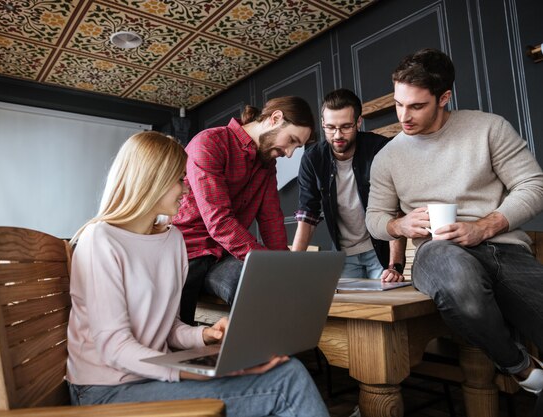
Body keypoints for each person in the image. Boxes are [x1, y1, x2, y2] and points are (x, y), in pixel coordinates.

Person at [66, 131, 330, 416]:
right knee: (286, 381)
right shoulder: (101, 240)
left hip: (151, 375)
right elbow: (115, 348)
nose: (186, 189)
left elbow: (167, 328)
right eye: (180, 179)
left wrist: (206, 335)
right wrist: (201, 373)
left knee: (286, 368)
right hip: (104, 390)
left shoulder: (173, 240)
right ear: (151, 179)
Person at [365, 48, 543, 396]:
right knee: (457, 280)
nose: (405, 116)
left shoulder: (488, 127)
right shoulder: (386, 158)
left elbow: (533, 184)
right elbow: (375, 219)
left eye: (417, 106)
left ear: (444, 97)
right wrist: (399, 226)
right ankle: (521, 368)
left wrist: (486, 225)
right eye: (399, 104)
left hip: (504, 250)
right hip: (438, 252)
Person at [173, 96, 315, 325]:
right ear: (275, 118)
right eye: (291, 141)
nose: (289, 153)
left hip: (225, 254)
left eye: (296, 148)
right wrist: (266, 263)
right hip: (189, 251)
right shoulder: (209, 143)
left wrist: (285, 269)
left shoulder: (267, 166)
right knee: (178, 327)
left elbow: (271, 221)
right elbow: (219, 222)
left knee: (260, 286)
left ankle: (266, 357)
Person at [291, 89, 406, 282]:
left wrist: (395, 265)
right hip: (343, 255)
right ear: (322, 124)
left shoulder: (380, 149)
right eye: (330, 127)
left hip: (380, 251)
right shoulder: (312, 159)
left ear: (358, 122)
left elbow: (395, 208)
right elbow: (307, 215)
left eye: (346, 126)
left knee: (385, 307)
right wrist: (290, 268)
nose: (337, 135)